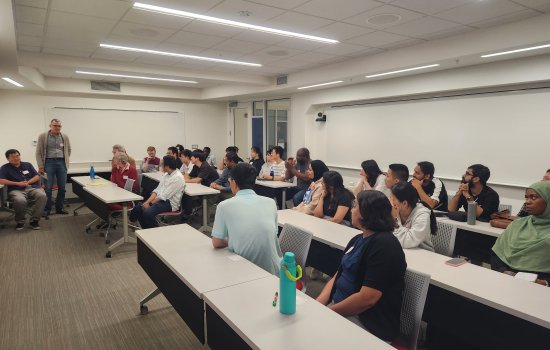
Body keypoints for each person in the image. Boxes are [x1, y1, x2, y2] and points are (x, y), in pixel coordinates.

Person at [316, 190, 406, 342]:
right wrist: (317, 304)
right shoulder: (358, 238)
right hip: (341, 309)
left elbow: (367, 299)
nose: (351, 210)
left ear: (366, 213)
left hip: (366, 321)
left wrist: (329, 312)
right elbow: (338, 275)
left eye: (355, 206)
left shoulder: (385, 245)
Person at [211, 163, 283, 275]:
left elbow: (217, 242)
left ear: (233, 182)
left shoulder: (224, 206)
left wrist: (234, 240)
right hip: (275, 271)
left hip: (244, 270)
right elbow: (272, 234)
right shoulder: (271, 203)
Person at [491, 181, 550, 287]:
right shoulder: (517, 224)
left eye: (533, 197)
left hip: (540, 288)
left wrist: (544, 283)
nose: (527, 202)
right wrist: (503, 272)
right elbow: (497, 254)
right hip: (506, 280)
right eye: (526, 197)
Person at [130, 156, 185, 229]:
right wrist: (147, 202)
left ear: (167, 166)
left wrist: (149, 204)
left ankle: (156, 232)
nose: (161, 166)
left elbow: (164, 196)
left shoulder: (178, 177)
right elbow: (157, 190)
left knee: (147, 212)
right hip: (159, 200)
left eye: (162, 164)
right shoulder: (166, 174)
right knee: (138, 208)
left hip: (169, 203)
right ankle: (146, 229)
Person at [0, 149, 47, 230]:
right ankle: (20, 221)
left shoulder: (27, 165)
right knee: (20, 200)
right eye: (13, 157)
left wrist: (28, 182)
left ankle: (34, 220)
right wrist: (18, 183)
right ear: (8, 159)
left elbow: (37, 176)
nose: (16, 158)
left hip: (31, 187)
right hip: (16, 189)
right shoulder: (5, 168)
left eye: (17, 156)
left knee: (42, 195)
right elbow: (1, 180)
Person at [36, 118, 71, 215]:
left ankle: (59, 208)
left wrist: (65, 160)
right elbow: (38, 152)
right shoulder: (43, 136)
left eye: (59, 126)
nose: (57, 127)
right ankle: (47, 209)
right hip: (48, 163)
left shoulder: (64, 136)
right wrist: (40, 166)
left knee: (62, 188)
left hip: (61, 163)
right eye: (55, 125)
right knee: (48, 188)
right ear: (50, 126)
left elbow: (68, 150)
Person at [390, 182, 436, 251]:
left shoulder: (422, 215)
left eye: (393, 199)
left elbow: (409, 241)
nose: (391, 202)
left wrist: (395, 220)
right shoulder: (395, 210)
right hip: (403, 250)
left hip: (423, 253)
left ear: (405, 203)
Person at [181, 150, 219, 218]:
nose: (190, 158)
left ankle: (205, 223)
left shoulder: (205, 166)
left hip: (213, 191)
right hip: (204, 188)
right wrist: (185, 179)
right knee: (185, 195)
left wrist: (185, 181)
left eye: (192, 157)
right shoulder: (196, 166)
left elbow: (198, 180)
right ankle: (188, 213)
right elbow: (188, 176)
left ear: (197, 158)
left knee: (188, 196)